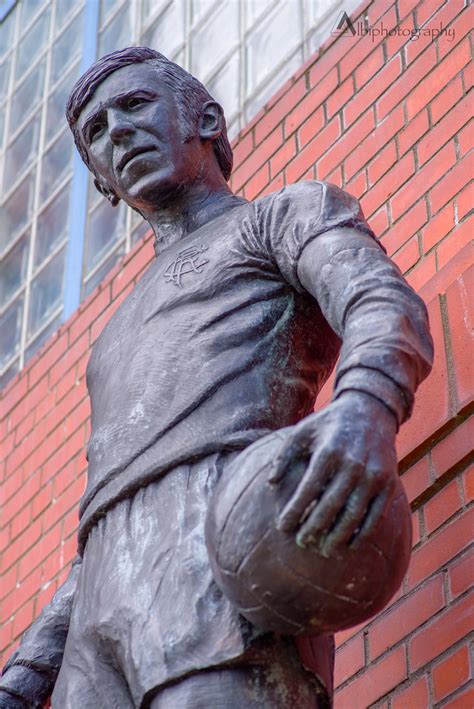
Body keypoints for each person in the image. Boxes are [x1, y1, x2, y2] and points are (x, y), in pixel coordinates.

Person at [0, 47, 433, 708]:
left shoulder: (279, 218)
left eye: (135, 104)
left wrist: (367, 408)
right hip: (99, 627)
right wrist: (31, 666)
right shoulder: (110, 340)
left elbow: (382, 302)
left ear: (204, 117)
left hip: (223, 568)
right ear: (102, 185)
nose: (115, 130)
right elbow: (110, 519)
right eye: (95, 131)